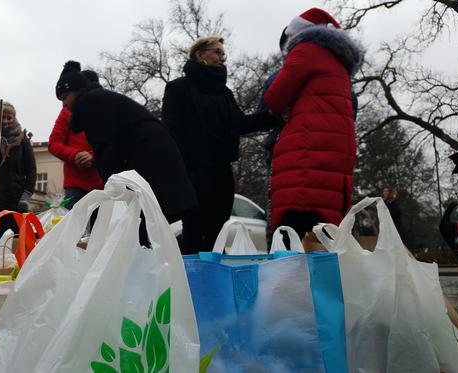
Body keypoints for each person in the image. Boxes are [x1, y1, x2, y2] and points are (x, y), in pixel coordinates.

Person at [161, 36, 278, 253]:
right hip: (192, 172)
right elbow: (171, 132)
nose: (222, 58)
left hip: (221, 175)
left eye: (223, 54)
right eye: (217, 52)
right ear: (200, 54)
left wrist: (273, 116)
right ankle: (190, 283)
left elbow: (241, 124)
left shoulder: (225, 94)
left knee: (218, 234)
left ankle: (215, 282)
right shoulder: (178, 88)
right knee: (193, 232)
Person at [55, 60, 197, 231]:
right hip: (156, 157)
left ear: (77, 89)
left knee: (142, 223)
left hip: (150, 161)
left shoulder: (89, 103)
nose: (63, 104)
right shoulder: (99, 99)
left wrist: (112, 188)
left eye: (64, 97)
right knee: (148, 221)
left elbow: (105, 147)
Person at [264, 8, 362, 241]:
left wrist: (286, 108)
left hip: (306, 156)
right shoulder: (339, 63)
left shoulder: (307, 50)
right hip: (335, 156)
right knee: (325, 238)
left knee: (293, 238)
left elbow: (273, 97)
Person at [48, 70, 103, 209]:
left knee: (102, 227)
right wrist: (75, 155)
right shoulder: (67, 112)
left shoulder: (104, 110)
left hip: (102, 184)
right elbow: (54, 143)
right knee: (75, 228)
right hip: (75, 185)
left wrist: (92, 156)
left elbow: (112, 144)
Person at [0, 102, 37, 239]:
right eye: (2, 118)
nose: (5, 121)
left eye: (9, 118)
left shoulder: (23, 142)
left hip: (17, 202)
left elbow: (31, 171)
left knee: (16, 241)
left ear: (14, 118)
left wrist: (26, 197)